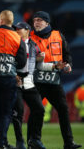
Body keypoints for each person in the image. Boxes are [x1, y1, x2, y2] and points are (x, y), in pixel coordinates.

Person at [31, 11, 82, 149]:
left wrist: (68, 65)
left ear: (47, 22)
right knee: (36, 111)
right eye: (35, 20)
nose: (36, 22)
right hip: (36, 81)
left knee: (63, 109)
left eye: (40, 20)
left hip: (54, 81)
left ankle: (69, 142)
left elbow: (67, 54)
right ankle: (33, 141)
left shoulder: (58, 36)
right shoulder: (30, 37)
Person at [12, 21, 59, 149]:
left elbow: (39, 65)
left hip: (29, 82)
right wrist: (13, 75)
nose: (17, 31)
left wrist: (54, 66)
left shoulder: (34, 46)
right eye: (16, 29)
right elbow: (9, 62)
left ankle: (34, 140)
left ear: (27, 30)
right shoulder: (13, 44)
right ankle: (20, 141)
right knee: (18, 112)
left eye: (19, 29)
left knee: (39, 109)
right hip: (15, 83)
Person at [0, 10, 27, 149]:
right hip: (8, 78)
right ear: (11, 21)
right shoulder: (17, 37)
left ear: (0, 21)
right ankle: (0, 144)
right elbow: (21, 62)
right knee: (6, 113)